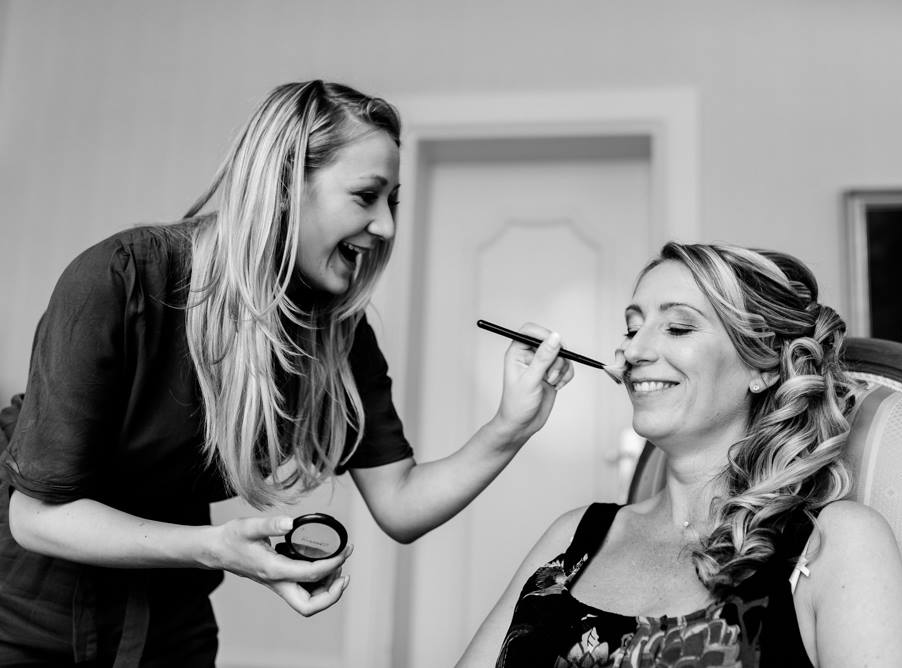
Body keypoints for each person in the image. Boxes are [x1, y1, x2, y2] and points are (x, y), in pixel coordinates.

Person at [0, 80, 573, 667]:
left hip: (172, 621)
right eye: (367, 196)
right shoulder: (121, 279)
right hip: (27, 615)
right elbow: (36, 517)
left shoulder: (339, 334)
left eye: (392, 202)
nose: (385, 227)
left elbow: (401, 505)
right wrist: (215, 547)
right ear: (281, 187)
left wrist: (510, 427)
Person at [459, 241, 902, 667]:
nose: (633, 351)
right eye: (632, 328)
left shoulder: (835, 543)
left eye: (678, 328)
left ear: (763, 364)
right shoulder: (573, 535)